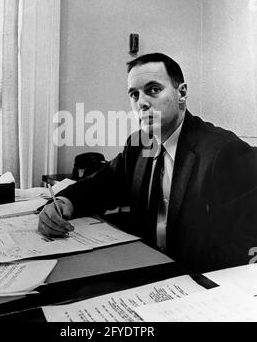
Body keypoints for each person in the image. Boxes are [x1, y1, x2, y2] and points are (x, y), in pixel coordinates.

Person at [38, 53, 257, 272]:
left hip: (197, 284)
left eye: (153, 90)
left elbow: (242, 249)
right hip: (145, 268)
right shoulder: (138, 144)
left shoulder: (223, 152)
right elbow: (100, 185)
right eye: (134, 94)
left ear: (182, 93)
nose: (141, 103)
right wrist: (66, 201)